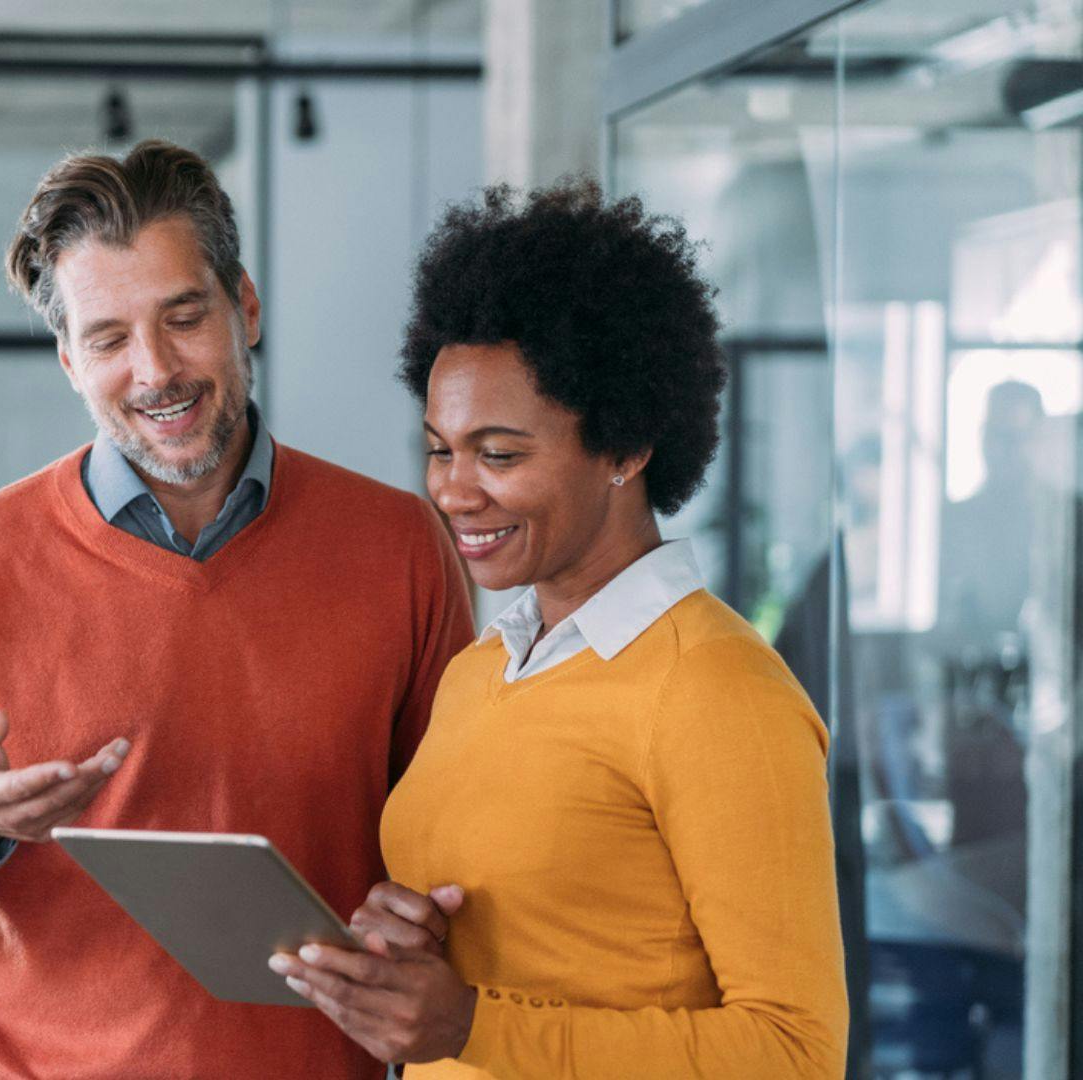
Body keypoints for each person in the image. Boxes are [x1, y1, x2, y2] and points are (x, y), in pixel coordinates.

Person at [0, 139, 476, 1079]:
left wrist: (425, 911)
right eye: (109, 338)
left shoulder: (399, 545)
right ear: (70, 359)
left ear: (246, 308)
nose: (155, 370)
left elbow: (460, 835)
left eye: (185, 317)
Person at [268, 179, 849, 1077]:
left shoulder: (719, 691)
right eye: (440, 447)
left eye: (500, 453)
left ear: (624, 446)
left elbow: (795, 1053)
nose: (456, 492)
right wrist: (409, 950)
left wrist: (474, 1026)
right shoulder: (480, 672)